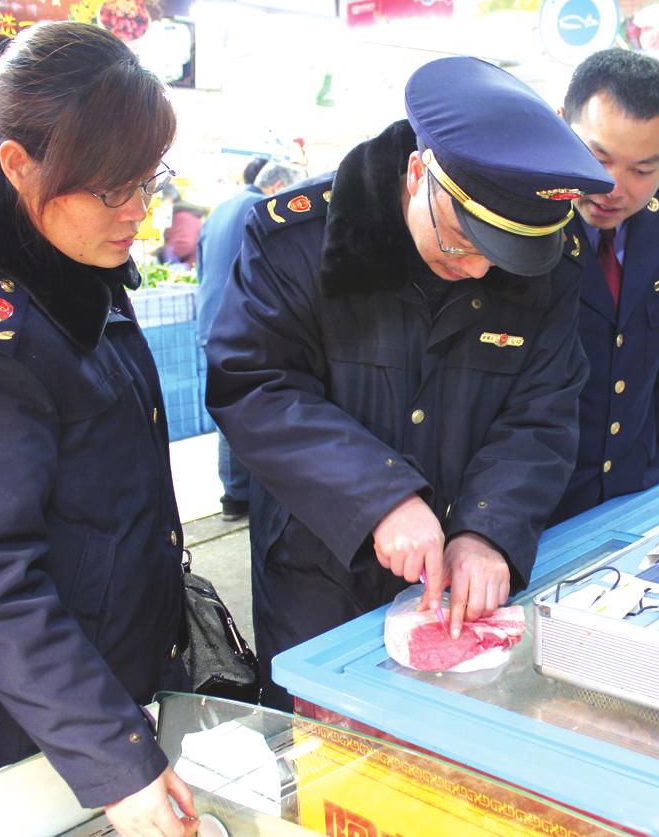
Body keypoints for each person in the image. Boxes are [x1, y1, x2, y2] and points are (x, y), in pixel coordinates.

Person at [206, 56, 613, 709]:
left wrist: (488, 528)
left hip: (459, 577)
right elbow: (252, 385)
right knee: (322, 746)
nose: (478, 269)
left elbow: (543, 410)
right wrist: (380, 496)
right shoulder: (298, 240)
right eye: (459, 242)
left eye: (499, 256)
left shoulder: (549, 264)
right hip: (317, 565)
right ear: (419, 172)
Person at [0, 23, 196, 837]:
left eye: (148, 182)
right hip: (42, 721)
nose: (139, 214)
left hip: (110, 673)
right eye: (114, 191)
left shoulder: (69, 261)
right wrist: (116, 755)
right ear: (18, 165)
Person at [551, 49, 659, 523]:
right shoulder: (524, 215)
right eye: (596, 157)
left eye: (644, 170)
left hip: (637, 480)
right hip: (540, 498)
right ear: (563, 125)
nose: (613, 188)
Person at [197, 159, 306, 521]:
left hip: (210, 318)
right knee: (244, 404)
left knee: (225, 402)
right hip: (241, 320)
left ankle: (234, 492)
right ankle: (239, 496)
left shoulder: (219, 210)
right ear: (278, 187)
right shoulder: (263, 211)